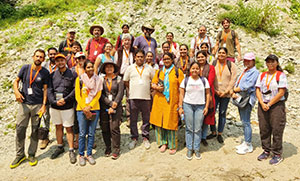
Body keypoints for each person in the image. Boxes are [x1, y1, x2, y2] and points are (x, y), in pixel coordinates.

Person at [10, 49, 49, 168]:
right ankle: (20, 154)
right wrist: (16, 92)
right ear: (33, 57)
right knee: (20, 129)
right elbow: (16, 81)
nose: (38, 58)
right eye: (37, 56)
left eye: (41, 57)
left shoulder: (45, 72)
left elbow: (46, 90)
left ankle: (32, 154)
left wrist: (43, 105)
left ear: (43, 59)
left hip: (37, 105)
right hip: (24, 104)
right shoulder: (25, 68)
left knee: (35, 130)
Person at [255, 54, 287, 165]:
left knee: (277, 128)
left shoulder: (280, 75)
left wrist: (269, 104)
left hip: (276, 105)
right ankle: (266, 150)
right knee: (264, 127)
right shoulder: (262, 75)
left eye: (273, 61)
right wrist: (261, 102)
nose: (270, 64)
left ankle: (277, 153)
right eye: (268, 62)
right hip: (263, 103)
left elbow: (281, 92)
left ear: (277, 63)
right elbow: (258, 90)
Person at [150, 52, 184, 155]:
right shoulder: (159, 71)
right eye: (164, 59)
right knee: (159, 122)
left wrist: (180, 103)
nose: (166, 61)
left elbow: (182, 88)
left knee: (171, 122)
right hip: (159, 100)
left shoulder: (178, 72)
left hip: (172, 101)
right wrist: (156, 87)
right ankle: (162, 143)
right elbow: (153, 83)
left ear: (172, 60)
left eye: (168, 59)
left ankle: (172, 144)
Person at [47, 54, 77, 164]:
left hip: (67, 105)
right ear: (55, 63)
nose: (60, 62)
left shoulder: (73, 74)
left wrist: (66, 99)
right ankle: (59, 146)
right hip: (55, 106)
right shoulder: (52, 75)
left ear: (65, 61)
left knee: (68, 128)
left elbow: (75, 89)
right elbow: (49, 90)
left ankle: (71, 149)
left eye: (62, 60)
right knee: (58, 126)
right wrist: (54, 102)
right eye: (58, 61)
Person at [123, 49, 155, 150]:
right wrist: (133, 89)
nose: (140, 58)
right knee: (133, 119)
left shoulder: (149, 68)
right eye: (138, 57)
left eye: (142, 57)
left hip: (146, 97)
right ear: (135, 57)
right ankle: (134, 137)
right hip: (133, 97)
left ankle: (145, 137)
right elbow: (126, 81)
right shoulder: (130, 68)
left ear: (144, 58)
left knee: (146, 118)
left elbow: (154, 81)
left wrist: (148, 89)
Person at [179, 61, 210, 160]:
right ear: (190, 69)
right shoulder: (185, 80)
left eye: (197, 68)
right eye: (193, 68)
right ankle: (189, 148)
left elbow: (208, 94)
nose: (195, 70)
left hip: (200, 106)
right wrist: (180, 107)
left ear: (200, 70)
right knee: (189, 128)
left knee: (197, 128)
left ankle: (196, 149)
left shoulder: (204, 80)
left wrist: (206, 107)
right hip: (188, 105)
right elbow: (181, 94)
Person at [206, 47, 237, 143]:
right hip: (215, 93)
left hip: (225, 94)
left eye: (223, 53)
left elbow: (233, 79)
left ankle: (220, 133)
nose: (221, 55)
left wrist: (227, 91)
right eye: (219, 53)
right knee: (212, 112)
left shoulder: (231, 65)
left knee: (222, 113)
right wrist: (214, 90)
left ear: (227, 55)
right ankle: (213, 131)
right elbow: (209, 77)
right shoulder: (213, 63)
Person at [75, 60, 102, 166]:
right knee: (82, 134)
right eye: (88, 67)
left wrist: (90, 106)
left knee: (91, 133)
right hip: (81, 110)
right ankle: (81, 155)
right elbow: (77, 95)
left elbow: (98, 94)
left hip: (94, 108)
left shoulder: (98, 80)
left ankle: (89, 154)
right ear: (85, 68)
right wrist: (84, 108)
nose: (90, 69)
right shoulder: (80, 79)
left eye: (92, 67)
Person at [231, 52, 259, 154]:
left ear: (253, 61)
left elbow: (247, 85)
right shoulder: (246, 70)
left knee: (246, 121)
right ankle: (246, 141)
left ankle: (248, 144)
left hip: (246, 99)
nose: (246, 62)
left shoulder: (255, 72)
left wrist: (234, 90)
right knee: (243, 120)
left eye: (248, 60)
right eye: (245, 60)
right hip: (241, 97)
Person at [99, 60, 124, 159]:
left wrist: (115, 104)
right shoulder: (101, 80)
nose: (109, 68)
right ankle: (108, 147)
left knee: (114, 128)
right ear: (104, 69)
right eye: (107, 67)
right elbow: (100, 94)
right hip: (104, 106)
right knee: (105, 128)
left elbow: (120, 93)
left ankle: (116, 149)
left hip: (116, 106)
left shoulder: (119, 79)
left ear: (114, 68)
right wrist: (109, 103)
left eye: (111, 67)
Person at [194, 51, 217, 147]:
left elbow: (210, 81)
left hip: (207, 94)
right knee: (196, 118)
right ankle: (195, 138)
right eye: (198, 57)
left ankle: (203, 137)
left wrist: (198, 85)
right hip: (196, 95)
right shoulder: (195, 67)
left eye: (202, 57)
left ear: (206, 57)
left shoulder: (211, 68)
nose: (200, 59)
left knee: (206, 117)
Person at [114, 33, 135, 127]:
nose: (126, 42)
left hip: (131, 77)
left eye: (128, 40)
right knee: (119, 96)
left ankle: (129, 118)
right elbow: (115, 64)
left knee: (130, 97)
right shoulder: (118, 51)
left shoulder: (134, 51)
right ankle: (118, 118)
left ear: (131, 41)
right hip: (121, 75)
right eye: (125, 40)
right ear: (122, 42)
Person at [39, 47, 57, 149]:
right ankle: (45, 137)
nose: (52, 56)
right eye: (50, 54)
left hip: (56, 94)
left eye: (54, 54)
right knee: (45, 116)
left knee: (59, 116)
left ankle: (61, 137)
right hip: (45, 93)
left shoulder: (61, 64)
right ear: (48, 55)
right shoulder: (44, 66)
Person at [71, 52, 86, 149]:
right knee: (76, 119)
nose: (80, 60)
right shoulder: (72, 70)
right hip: (74, 97)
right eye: (78, 58)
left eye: (82, 58)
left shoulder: (88, 68)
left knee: (87, 118)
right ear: (75, 59)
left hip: (86, 97)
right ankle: (77, 139)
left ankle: (87, 139)